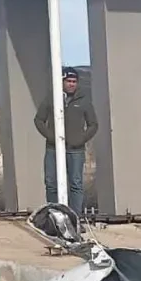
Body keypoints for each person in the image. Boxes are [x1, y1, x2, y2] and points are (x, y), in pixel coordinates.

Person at [36, 67, 98, 215]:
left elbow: (93, 124)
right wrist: (51, 136)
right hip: (53, 148)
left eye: (74, 81)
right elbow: (39, 119)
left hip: (75, 150)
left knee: (75, 184)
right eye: (68, 81)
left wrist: (80, 139)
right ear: (62, 82)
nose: (71, 84)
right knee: (51, 183)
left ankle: (75, 217)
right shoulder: (52, 98)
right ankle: (54, 215)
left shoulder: (84, 101)